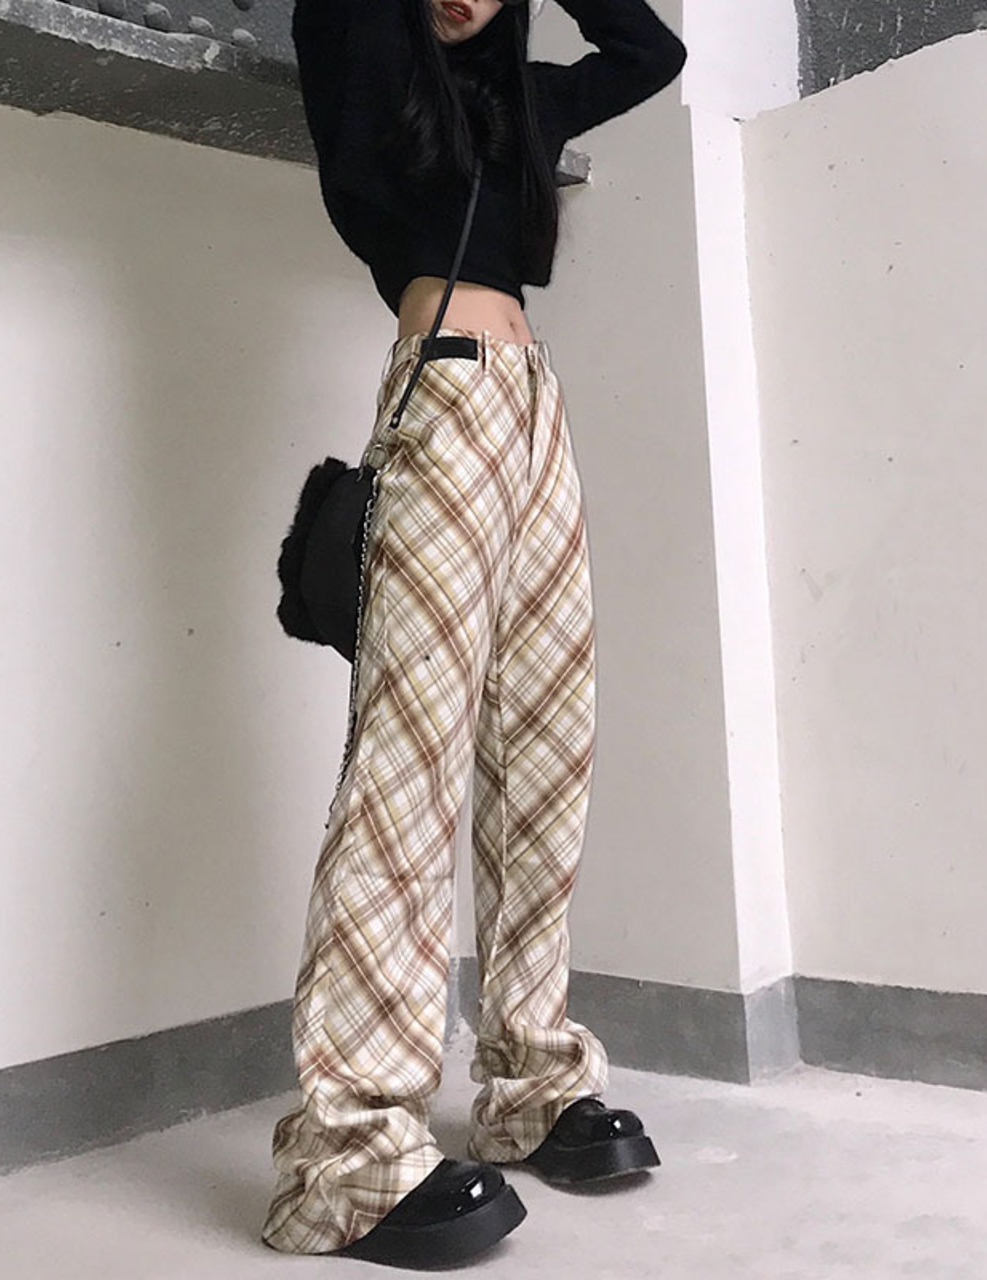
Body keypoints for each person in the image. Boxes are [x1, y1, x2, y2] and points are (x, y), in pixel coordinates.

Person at [263, 0, 687, 1267]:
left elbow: (651, 52)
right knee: (408, 765)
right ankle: (346, 1154)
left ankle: (529, 1078)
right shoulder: (362, 58)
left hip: (535, 412)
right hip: (442, 395)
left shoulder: (528, 107)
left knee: (546, 747)